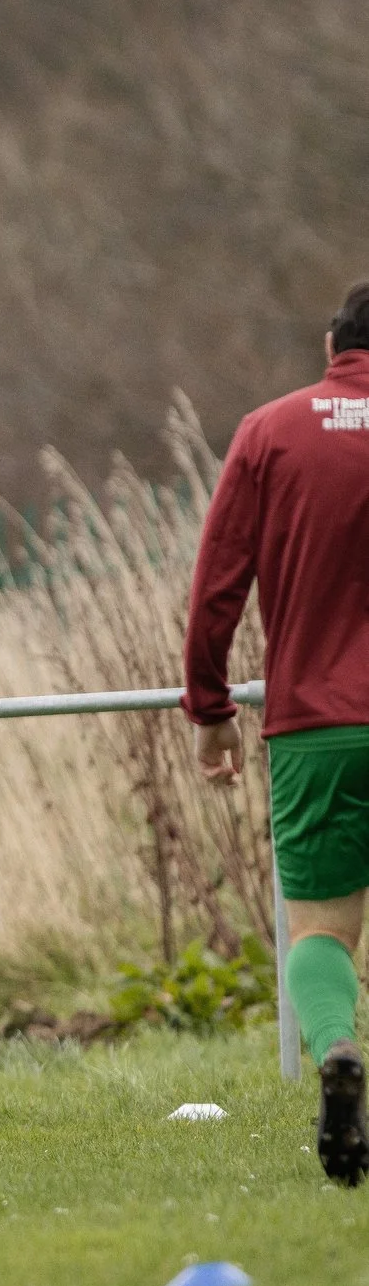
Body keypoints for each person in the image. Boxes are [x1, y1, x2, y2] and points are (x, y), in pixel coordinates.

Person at [186, 280, 369, 1185]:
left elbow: (217, 585)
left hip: (317, 727)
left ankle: (338, 1048)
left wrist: (211, 709)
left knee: (322, 935)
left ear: (332, 341)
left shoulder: (270, 432)